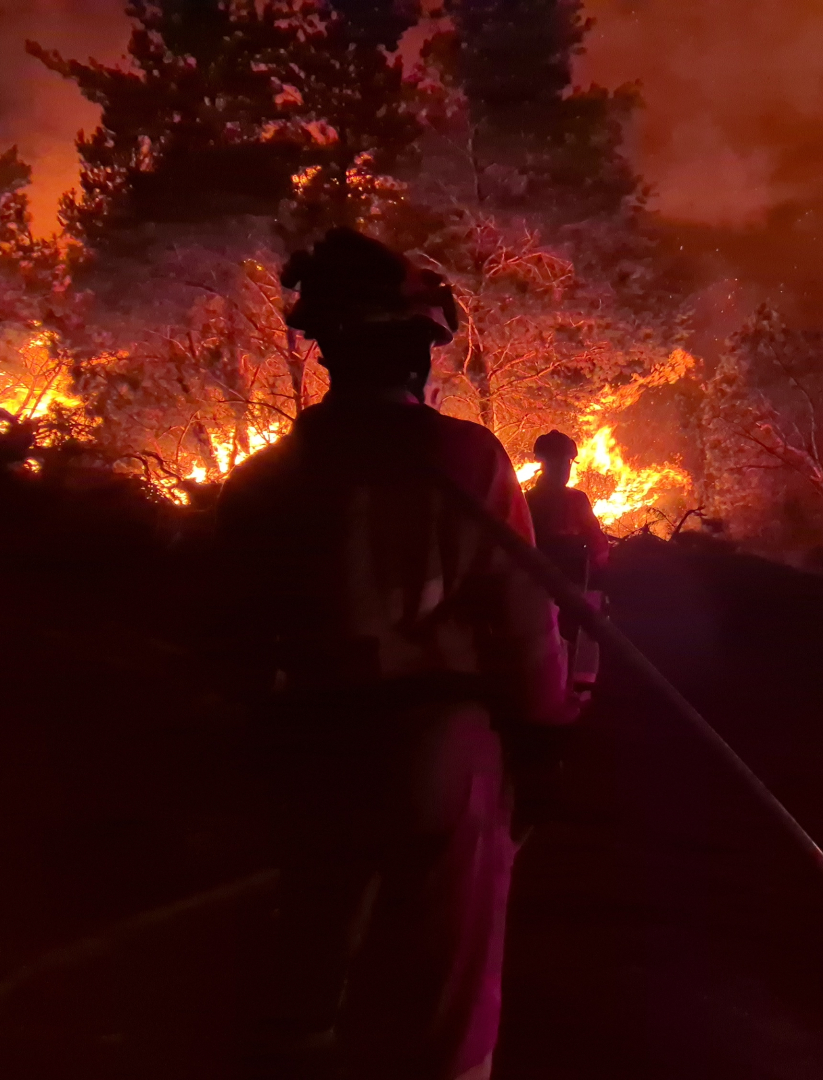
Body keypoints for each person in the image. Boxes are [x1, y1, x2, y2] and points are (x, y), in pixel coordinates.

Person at [216, 228, 574, 1080]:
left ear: (329, 349)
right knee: (443, 981)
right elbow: (523, 620)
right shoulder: (466, 460)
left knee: (311, 948)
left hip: (312, 741)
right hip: (437, 745)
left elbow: (232, 637)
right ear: (416, 349)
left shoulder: (265, 480)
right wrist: (547, 728)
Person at [524, 429, 611, 588]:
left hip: (540, 586)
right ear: (545, 463)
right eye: (560, 461)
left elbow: (597, 543)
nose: (564, 468)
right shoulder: (576, 500)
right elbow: (597, 545)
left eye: (567, 462)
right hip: (559, 587)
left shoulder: (528, 499)